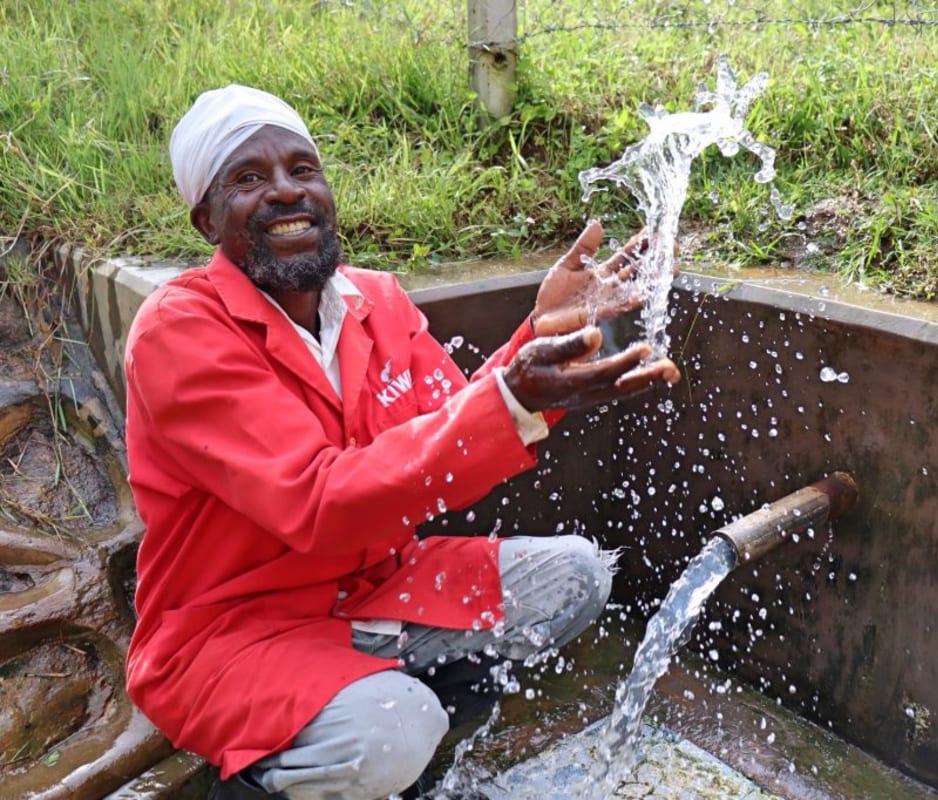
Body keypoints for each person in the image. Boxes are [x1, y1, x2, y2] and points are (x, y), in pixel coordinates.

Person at [123, 84, 680, 800]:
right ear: (206, 218)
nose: (287, 192)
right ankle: (289, 771)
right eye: (250, 179)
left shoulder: (374, 301)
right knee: (393, 726)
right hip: (232, 632)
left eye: (303, 170)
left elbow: (450, 422)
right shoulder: (181, 332)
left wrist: (536, 345)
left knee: (576, 577)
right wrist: (513, 396)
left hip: (376, 590)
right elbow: (319, 500)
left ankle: (386, 749)